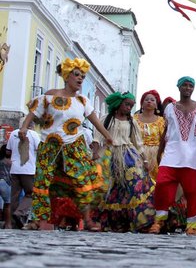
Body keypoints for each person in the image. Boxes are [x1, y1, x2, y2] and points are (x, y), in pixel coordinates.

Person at [19, 57, 113, 231]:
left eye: (83, 77)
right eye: (76, 75)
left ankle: (88, 220)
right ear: (67, 75)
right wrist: (24, 127)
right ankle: (36, 220)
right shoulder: (49, 96)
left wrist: (108, 136)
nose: (80, 79)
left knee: (82, 181)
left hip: (73, 147)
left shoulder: (82, 101)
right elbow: (33, 112)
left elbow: (95, 121)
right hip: (49, 145)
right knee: (42, 183)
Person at [149, 76, 196, 235]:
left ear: (193, 88)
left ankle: (194, 226)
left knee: (194, 191)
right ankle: (159, 221)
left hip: (194, 155)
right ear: (179, 88)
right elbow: (167, 130)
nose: (187, 88)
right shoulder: (170, 108)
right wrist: (160, 150)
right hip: (172, 153)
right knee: (162, 185)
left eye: (190, 86)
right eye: (184, 85)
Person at [92, 91, 155, 232]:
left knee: (134, 185)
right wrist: (95, 153)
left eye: (131, 106)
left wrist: (144, 160)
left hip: (128, 155)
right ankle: (107, 222)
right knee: (108, 189)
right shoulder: (106, 119)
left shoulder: (132, 122)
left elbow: (138, 143)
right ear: (119, 103)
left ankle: (137, 220)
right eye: (127, 104)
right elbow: (97, 138)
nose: (128, 108)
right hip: (108, 155)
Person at [5, 122, 41, 228]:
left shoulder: (13, 133)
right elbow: (40, 149)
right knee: (31, 193)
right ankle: (19, 213)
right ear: (32, 126)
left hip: (15, 169)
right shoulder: (34, 134)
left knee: (14, 196)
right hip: (28, 170)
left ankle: (14, 222)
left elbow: (8, 151)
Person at [133, 90, 166, 180]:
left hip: (156, 155)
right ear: (142, 104)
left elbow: (164, 140)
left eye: (152, 100)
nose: (149, 101)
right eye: (146, 99)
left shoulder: (161, 121)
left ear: (156, 105)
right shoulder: (134, 119)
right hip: (137, 153)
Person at [0, 144, 11, 229]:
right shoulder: (11, 162)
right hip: (6, 182)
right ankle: (8, 224)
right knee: (8, 204)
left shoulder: (1, 161)